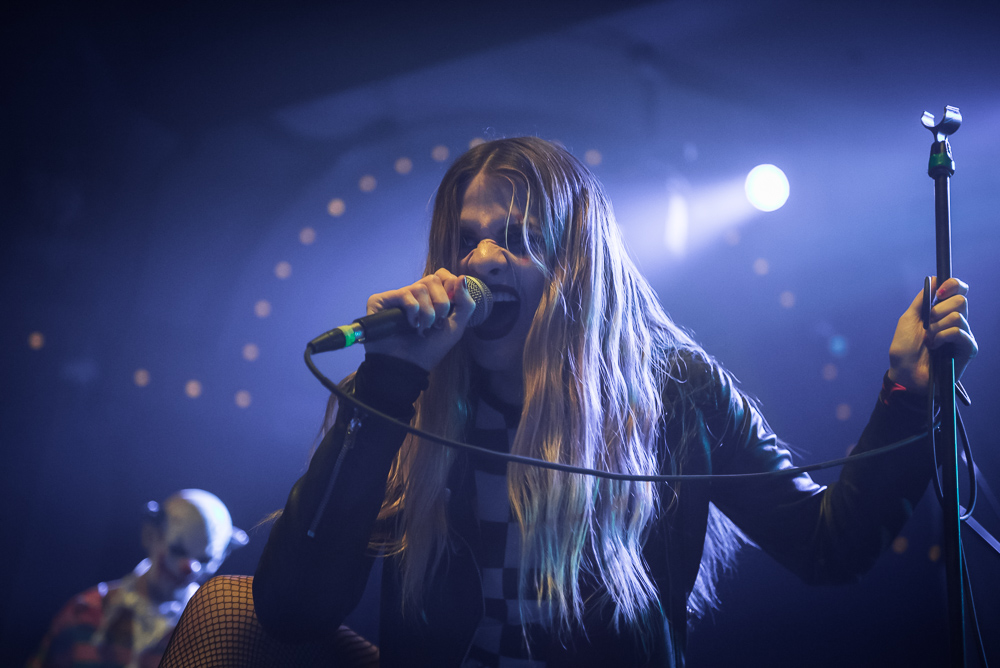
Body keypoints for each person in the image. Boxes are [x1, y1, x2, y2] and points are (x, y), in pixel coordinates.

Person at [252, 137, 977, 667]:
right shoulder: (405, 385)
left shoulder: (672, 389)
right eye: (465, 240)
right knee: (222, 612)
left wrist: (907, 396)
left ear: (577, 266)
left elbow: (828, 545)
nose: (480, 261)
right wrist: (385, 386)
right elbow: (293, 610)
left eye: (518, 239)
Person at [28, 489, 247, 668]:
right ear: (150, 535)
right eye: (178, 550)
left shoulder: (210, 636)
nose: (189, 568)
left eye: (205, 558)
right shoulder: (85, 612)